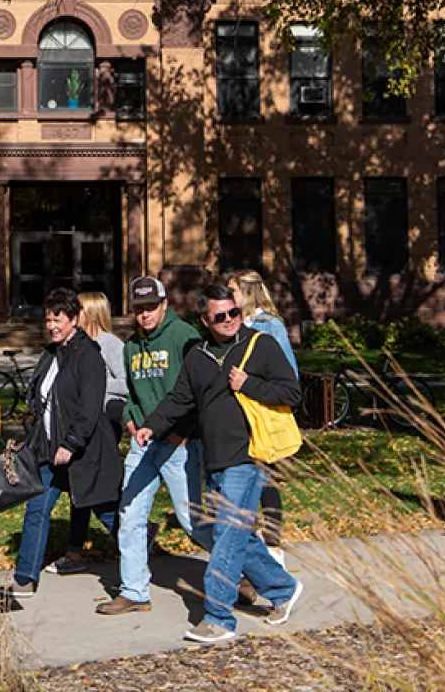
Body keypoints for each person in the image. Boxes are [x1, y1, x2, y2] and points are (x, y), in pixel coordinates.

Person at [135, 284, 303, 643]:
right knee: (237, 535)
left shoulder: (261, 345)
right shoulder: (198, 356)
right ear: (206, 320)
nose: (229, 321)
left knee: (227, 535)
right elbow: (180, 398)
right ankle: (283, 588)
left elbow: (292, 392)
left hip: (248, 456)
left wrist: (250, 384)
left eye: (233, 313)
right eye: (220, 316)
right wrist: (152, 424)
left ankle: (218, 617)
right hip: (215, 458)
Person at [0, 288, 123, 599]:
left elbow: (89, 408)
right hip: (50, 451)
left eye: (59, 320)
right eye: (49, 320)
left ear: (75, 320)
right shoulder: (52, 354)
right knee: (37, 508)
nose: (52, 326)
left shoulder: (88, 355)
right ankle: (24, 578)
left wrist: (71, 443)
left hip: (85, 453)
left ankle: (137, 559)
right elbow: (42, 399)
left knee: (105, 512)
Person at [96, 276, 208, 616]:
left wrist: (183, 432)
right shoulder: (130, 348)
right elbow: (131, 393)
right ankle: (134, 592)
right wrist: (131, 417)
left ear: (164, 305)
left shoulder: (184, 337)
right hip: (143, 445)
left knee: (193, 521)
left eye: (151, 307)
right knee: (129, 514)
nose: (145, 315)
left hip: (179, 444)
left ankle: (244, 569)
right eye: (139, 309)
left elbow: (198, 392)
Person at [46, 291, 130, 576]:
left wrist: (94, 389)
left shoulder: (108, 345)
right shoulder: (73, 347)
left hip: (103, 423)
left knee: (95, 491)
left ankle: (132, 539)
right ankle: (75, 550)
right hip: (84, 424)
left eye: (77, 310)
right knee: (82, 490)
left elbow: (124, 383)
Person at [228, 269, 297, 557]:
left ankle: (271, 539)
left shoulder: (270, 327)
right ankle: (247, 536)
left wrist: (251, 384)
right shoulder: (231, 325)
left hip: (263, 412)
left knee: (264, 476)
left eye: (231, 290)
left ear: (246, 293)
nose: (227, 296)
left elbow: (288, 376)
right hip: (237, 415)